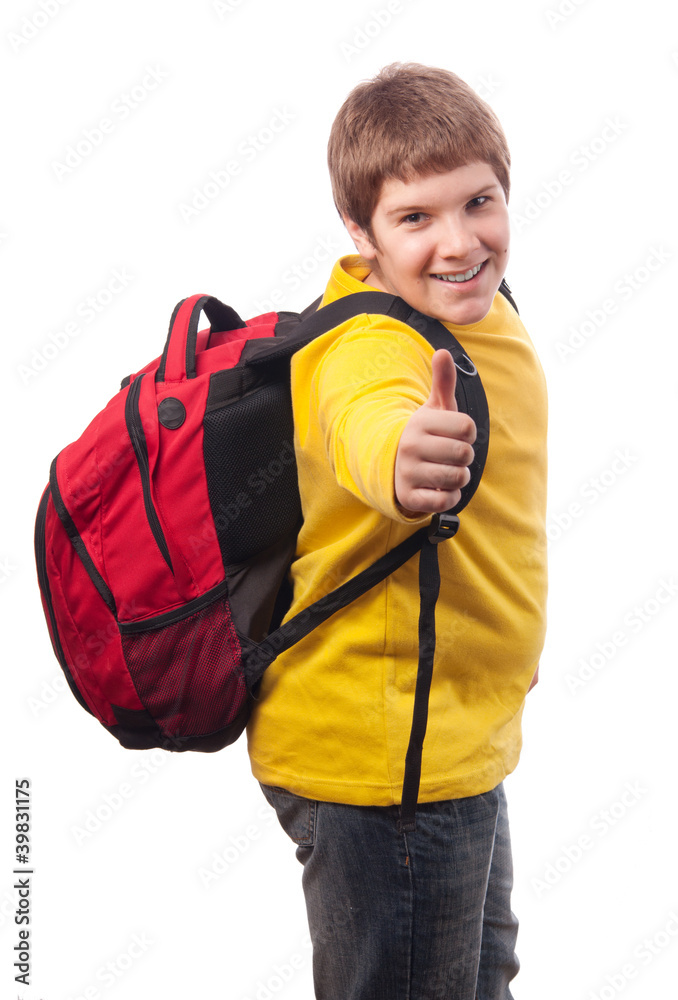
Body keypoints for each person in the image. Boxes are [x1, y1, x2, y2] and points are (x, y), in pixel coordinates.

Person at [246, 62, 547, 999]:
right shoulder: (368, 341)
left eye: (479, 202)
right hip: (386, 775)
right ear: (360, 234)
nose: (459, 242)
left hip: (457, 736)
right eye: (415, 218)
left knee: (477, 973)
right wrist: (403, 461)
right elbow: (368, 421)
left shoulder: (484, 311)